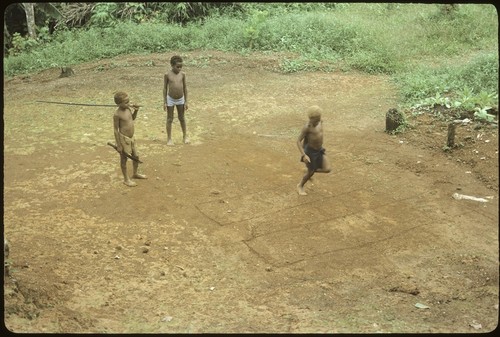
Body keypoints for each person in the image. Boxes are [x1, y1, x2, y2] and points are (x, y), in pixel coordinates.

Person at [113, 91, 147, 187]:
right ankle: (126, 179)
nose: (128, 103)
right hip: (124, 139)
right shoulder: (117, 114)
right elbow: (116, 130)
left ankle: (135, 173)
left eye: (129, 101)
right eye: (126, 102)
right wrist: (119, 144)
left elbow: (132, 118)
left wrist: (136, 110)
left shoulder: (128, 109)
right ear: (119, 104)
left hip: (132, 138)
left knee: (136, 156)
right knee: (124, 159)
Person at [296, 105, 331, 195]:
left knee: (327, 169)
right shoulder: (307, 127)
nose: (318, 121)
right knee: (310, 173)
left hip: (319, 150)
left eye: (319, 118)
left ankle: (309, 170)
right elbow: (298, 141)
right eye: (316, 119)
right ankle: (300, 186)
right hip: (310, 153)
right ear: (311, 118)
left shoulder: (320, 122)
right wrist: (304, 155)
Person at [163, 55, 189, 145]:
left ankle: (185, 136)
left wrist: (186, 101)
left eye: (181, 67)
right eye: (177, 67)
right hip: (170, 99)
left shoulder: (183, 75)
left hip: (181, 99)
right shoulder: (167, 75)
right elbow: (165, 88)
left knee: (182, 118)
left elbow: (185, 87)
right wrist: (165, 102)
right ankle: (169, 139)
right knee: (169, 119)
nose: (179, 68)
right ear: (172, 65)